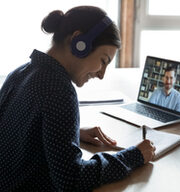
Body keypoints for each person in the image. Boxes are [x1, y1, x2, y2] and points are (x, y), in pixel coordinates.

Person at [0, 6, 155, 192]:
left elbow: (13, 128)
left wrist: (65, 133)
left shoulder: (20, 73)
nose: (101, 75)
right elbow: (72, 179)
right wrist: (134, 156)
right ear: (78, 42)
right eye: (103, 60)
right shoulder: (59, 90)